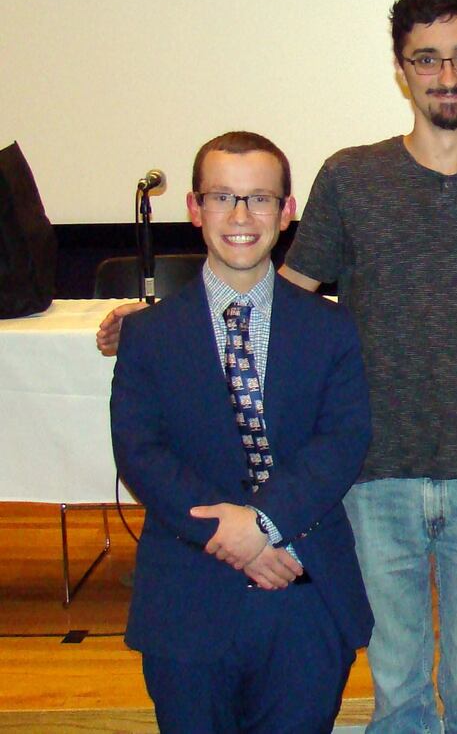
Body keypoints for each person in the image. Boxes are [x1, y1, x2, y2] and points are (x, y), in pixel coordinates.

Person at [97, 0, 457, 732]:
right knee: (396, 699)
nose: (447, 75)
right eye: (427, 59)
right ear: (402, 70)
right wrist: (164, 322)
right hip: (373, 481)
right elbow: (273, 290)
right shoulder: (352, 177)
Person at [110, 131, 373, 733]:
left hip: (303, 588)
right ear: (194, 209)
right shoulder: (149, 335)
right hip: (187, 593)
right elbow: (140, 452)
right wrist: (230, 533)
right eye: (223, 197)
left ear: (286, 213)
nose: (240, 216)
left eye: (259, 199)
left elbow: (341, 444)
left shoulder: (332, 328)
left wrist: (259, 525)